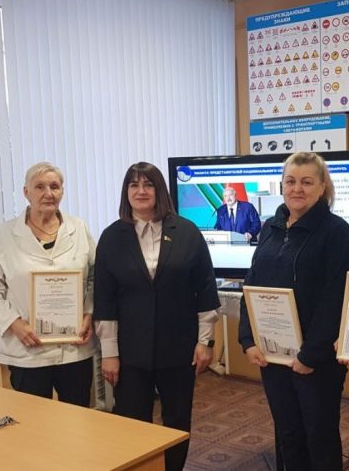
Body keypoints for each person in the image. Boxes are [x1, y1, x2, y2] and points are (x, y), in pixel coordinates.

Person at [94, 162, 220, 471]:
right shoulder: (111, 237)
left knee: (177, 420)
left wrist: (205, 342)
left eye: (148, 184)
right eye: (134, 185)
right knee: (132, 422)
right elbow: (105, 299)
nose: (141, 191)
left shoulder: (187, 232)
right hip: (130, 353)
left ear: (159, 190)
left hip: (179, 349)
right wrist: (109, 353)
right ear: (126, 192)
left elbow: (205, 290)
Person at [238, 152, 349, 471]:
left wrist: (310, 355)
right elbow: (252, 283)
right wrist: (248, 339)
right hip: (274, 355)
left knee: (319, 437)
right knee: (287, 434)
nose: (297, 189)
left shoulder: (337, 232)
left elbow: (337, 298)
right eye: (290, 181)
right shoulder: (270, 227)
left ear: (322, 187)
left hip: (316, 361)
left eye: (306, 182)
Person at [0, 162, 96, 406]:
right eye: (40, 187)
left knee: (78, 419)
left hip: (73, 349)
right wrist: (15, 324)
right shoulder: (6, 234)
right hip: (27, 350)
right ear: (26, 192)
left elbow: (96, 277)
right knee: (33, 421)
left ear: (62, 191)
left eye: (55, 186)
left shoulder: (78, 228)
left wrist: (88, 313)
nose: (48, 193)